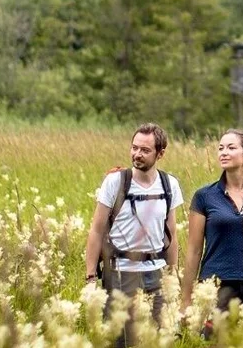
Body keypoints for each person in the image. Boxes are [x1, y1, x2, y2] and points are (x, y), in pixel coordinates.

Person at [82, 123, 186, 346]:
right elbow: (96, 230)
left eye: (145, 150)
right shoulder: (115, 182)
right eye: (134, 148)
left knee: (161, 337)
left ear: (161, 153)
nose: (137, 154)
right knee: (121, 340)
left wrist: (172, 275)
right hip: (120, 273)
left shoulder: (170, 185)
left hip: (156, 274)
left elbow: (172, 234)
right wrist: (90, 277)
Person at [182, 129, 243, 334]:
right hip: (214, 287)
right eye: (220, 148)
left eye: (231, 147)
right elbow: (193, 251)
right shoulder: (204, 197)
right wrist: (185, 299)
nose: (223, 152)